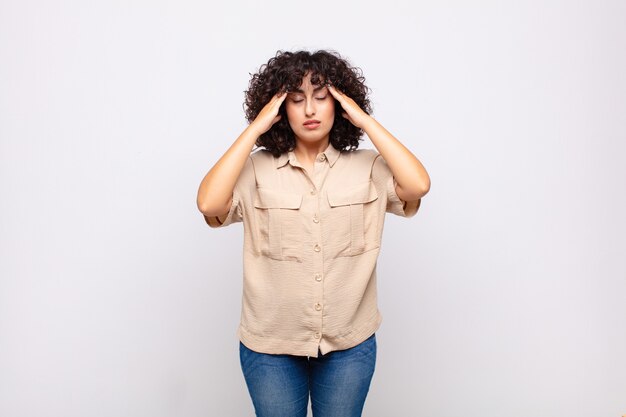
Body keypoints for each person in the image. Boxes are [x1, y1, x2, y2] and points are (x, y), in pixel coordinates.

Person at [196, 50, 430, 417]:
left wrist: (365, 121)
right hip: (270, 347)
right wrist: (254, 129)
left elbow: (417, 185)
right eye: (296, 99)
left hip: (349, 346)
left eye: (322, 98)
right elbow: (209, 204)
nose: (309, 110)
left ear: (339, 104)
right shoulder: (256, 169)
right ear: (278, 108)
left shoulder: (368, 167)